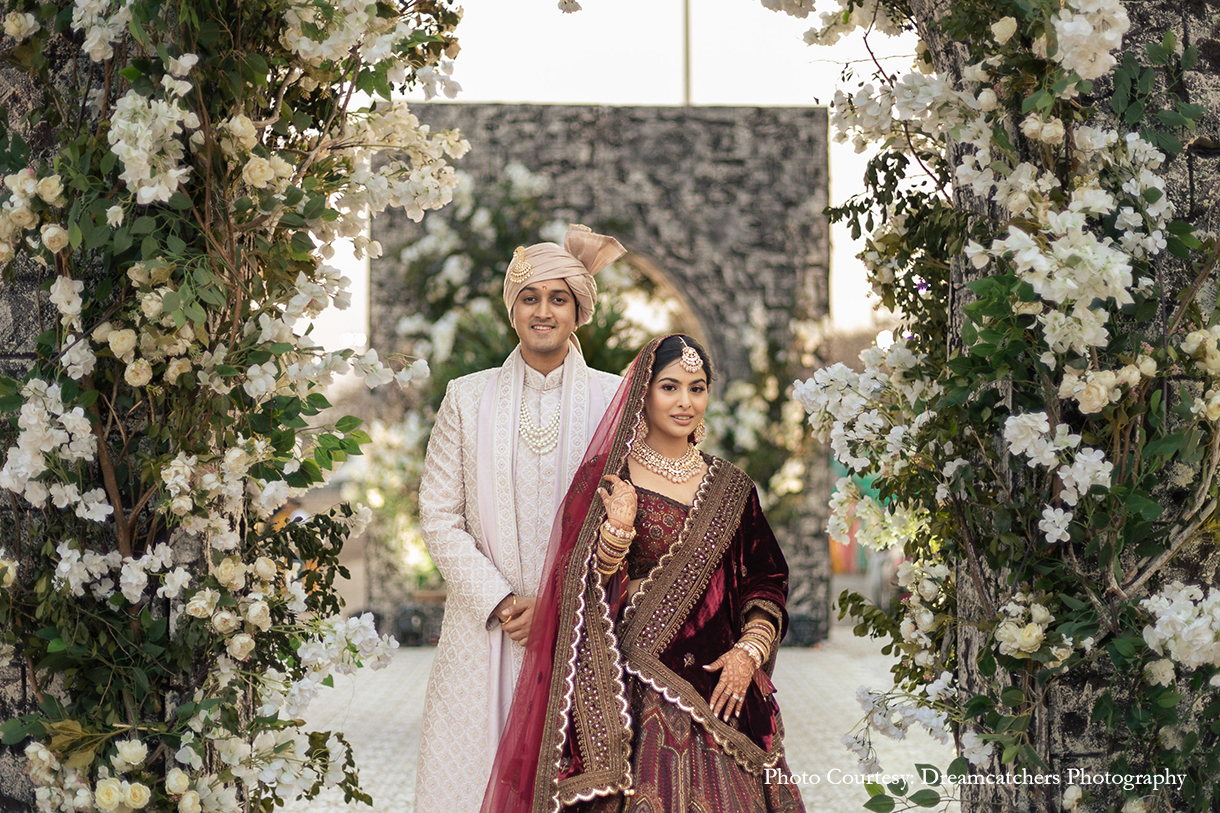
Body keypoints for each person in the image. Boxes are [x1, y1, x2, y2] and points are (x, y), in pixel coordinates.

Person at [481, 334, 806, 813]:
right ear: (644, 393)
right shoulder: (606, 478)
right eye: (670, 387)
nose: (684, 402)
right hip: (630, 697)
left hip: (720, 696)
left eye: (697, 389)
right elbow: (575, 586)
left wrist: (748, 652)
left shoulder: (734, 488)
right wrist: (617, 531)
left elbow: (766, 580)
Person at [414, 226, 629, 813]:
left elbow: (626, 516)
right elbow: (437, 514)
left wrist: (558, 608)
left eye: (558, 298)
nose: (543, 311)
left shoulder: (614, 401)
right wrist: (506, 603)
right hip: (484, 632)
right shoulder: (466, 396)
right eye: (530, 298)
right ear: (513, 310)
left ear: (578, 310)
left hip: (581, 633)